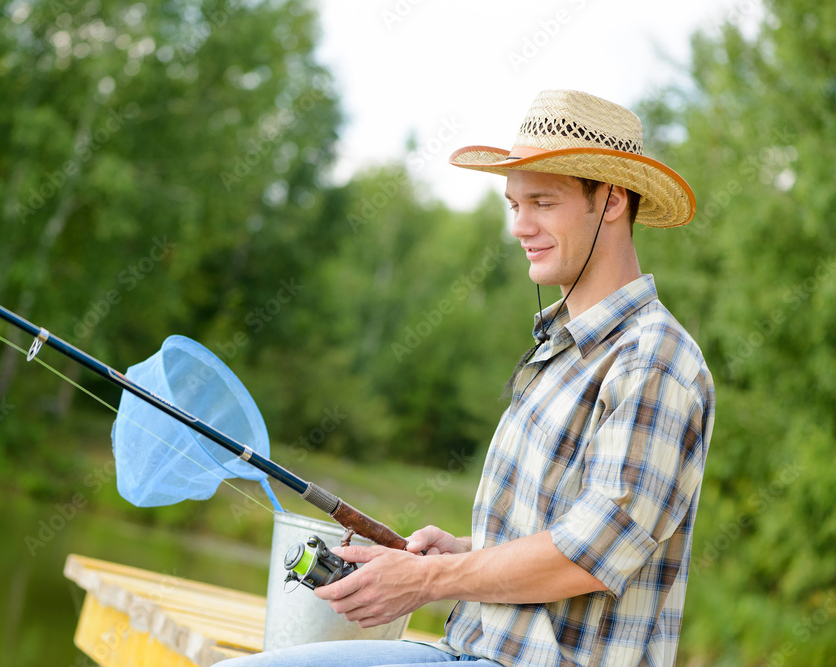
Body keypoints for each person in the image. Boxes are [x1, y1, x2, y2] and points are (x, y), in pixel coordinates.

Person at [218, 90, 715, 666]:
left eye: (542, 202)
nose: (520, 226)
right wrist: (458, 553)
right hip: (466, 651)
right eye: (513, 205)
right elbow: (557, 531)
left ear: (610, 201)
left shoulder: (654, 362)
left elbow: (585, 557)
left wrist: (430, 581)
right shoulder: (562, 348)